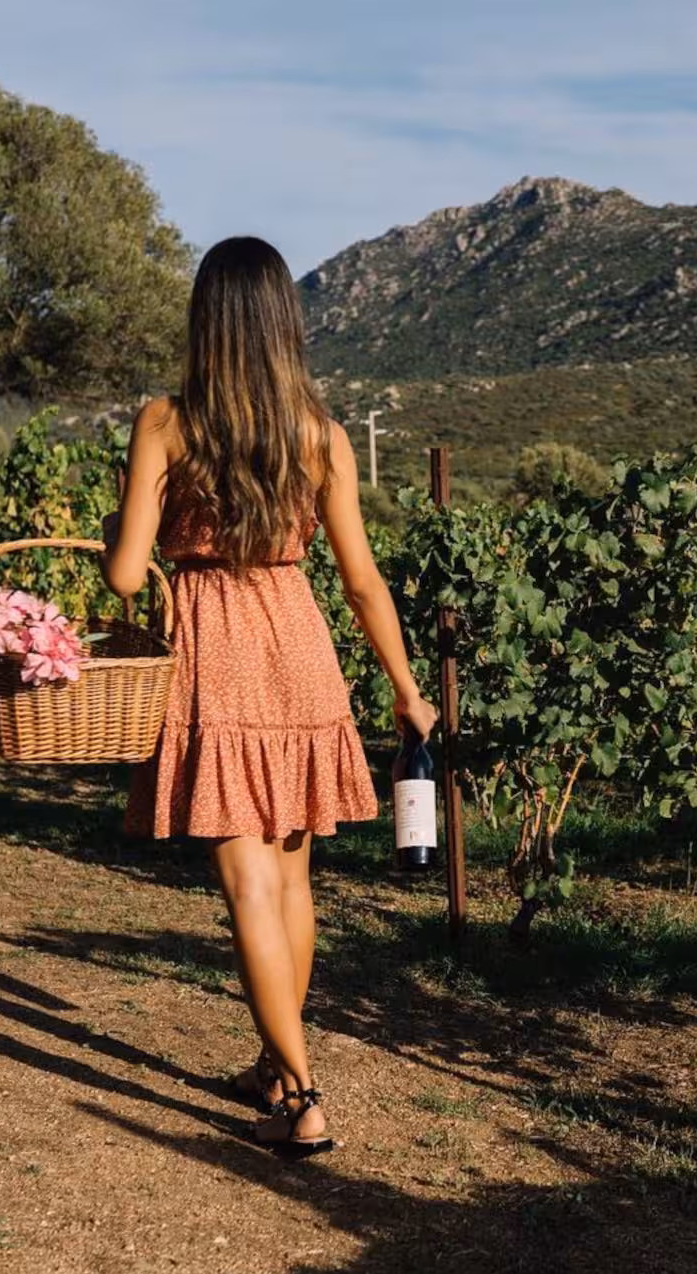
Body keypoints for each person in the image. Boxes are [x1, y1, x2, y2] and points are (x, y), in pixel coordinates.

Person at [103, 235, 435, 1158]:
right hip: (299, 646)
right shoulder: (320, 434)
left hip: (216, 654)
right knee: (290, 876)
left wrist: (119, 535)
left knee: (247, 880)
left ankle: (299, 1094)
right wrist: (407, 690)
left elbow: (129, 576)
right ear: (286, 320)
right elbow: (363, 580)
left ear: (206, 319)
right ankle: (269, 1059)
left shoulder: (168, 421)